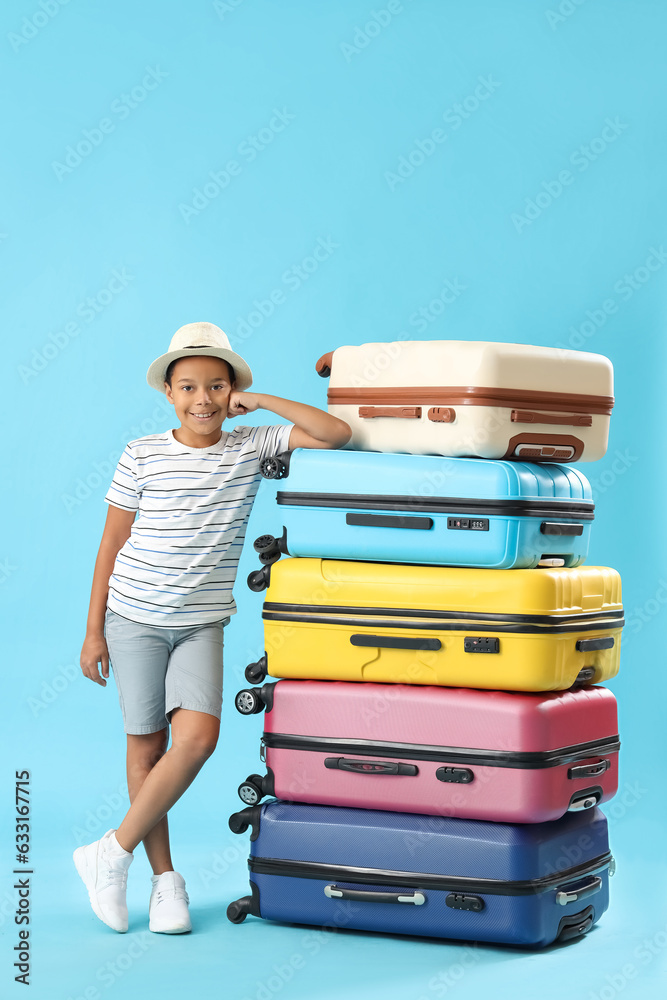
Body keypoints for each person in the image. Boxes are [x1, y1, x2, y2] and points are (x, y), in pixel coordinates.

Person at [74, 321, 351, 934]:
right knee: (146, 749)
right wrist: (93, 630)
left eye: (218, 387)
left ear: (232, 393)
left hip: (202, 624)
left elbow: (335, 435)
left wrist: (262, 400)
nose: (203, 399)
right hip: (134, 618)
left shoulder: (253, 444)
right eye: (189, 387)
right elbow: (111, 543)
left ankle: (110, 853)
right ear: (169, 394)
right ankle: (164, 882)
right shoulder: (141, 453)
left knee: (196, 742)